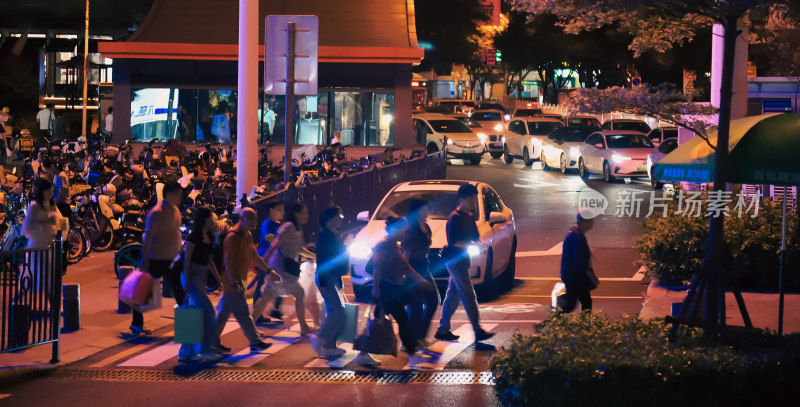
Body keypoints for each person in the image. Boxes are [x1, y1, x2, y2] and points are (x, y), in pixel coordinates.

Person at [360, 217, 432, 367]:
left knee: (377, 321)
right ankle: (411, 355)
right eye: (403, 228)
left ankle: (363, 354)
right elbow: (377, 267)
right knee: (401, 319)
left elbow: (405, 267)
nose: (405, 231)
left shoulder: (394, 245)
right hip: (386, 289)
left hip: (393, 288)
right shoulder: (384, 245)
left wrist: (421, 281)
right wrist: (376, 289)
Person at [435, 184, 494, 342]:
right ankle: (477, 329)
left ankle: (442, 328)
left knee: (453, 295)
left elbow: (475, 236)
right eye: (472, 199)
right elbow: (455, 242)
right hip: (455, 261)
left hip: (463, 260)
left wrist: (476, 242)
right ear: (463, 199)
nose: (475, 202)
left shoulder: (468, 216)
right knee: (469, 295)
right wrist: (473, 244)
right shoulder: (455, 218)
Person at [216, 207, 276, 352]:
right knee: (241, 312)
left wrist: (269, 270)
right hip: (232, 282)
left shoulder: (246, 235)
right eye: (251, 221)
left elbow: (254, 256)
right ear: (242, 219)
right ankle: (254, 341)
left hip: (235, 282)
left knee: (223, 313)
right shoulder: (233, 237)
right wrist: (233, 281)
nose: (254, 225)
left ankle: (208, 343)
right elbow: (228, 261)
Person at [130, 181, 186, 335]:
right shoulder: (157, 212)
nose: (180, 197)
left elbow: (176, 233)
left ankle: (187, 327)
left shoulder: (175, 210)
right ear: (169, 194)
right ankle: (136, 323)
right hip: (156, 258)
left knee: (180, 292)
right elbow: (148, 237)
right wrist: (145, 260)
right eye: (178, 194)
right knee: (143, 291)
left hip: (171, 260)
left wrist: (180, 250)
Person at [254, 202, 316, 335]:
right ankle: (251, 325)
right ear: (296, 213)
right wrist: (264, 262)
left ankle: (251, 325)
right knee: (271, 295)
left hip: (285, 269)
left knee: (270, 295)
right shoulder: (288, 227)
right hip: (280, 268)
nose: (307, 215)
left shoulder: (297, 228)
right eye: (304, 212)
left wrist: (313, 256)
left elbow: (299, 249)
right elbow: (275, 244)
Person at [177, 207, 225, 362]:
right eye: (211, 218)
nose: (213, 220)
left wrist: (218, 278)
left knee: (192, 314)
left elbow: (209, 260)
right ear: (204, 219)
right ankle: (206, 349)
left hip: (201, 278)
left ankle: (186, 351)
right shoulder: (193, 238)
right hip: (190, 278)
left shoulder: (210, 237)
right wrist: (187, 284)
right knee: (209, 313)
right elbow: (187, 260)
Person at [309, 206, 348, 358]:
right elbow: (323, 260)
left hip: (332, 277)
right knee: (338, 312)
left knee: (334, 311)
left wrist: (339, 281)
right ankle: (320, 339)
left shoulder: (333, 234)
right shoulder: (325, 235)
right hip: (326, 277)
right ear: (329, 218)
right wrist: (325, 283)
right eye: (339, 216)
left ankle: (330, 346)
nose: (341, 218)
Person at [403, 199, 440, 348]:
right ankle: (411, 340)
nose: (428, 211)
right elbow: (406, 255)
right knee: (416, 305)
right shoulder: (411, 230)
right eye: (425, 209)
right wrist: (407, 274)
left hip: (425, 267)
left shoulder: (426, 227)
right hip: (413, 267)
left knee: (433, 300)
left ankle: (419, 336)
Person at [20, 179, 65, 296]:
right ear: (44, 192)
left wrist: (65, 231)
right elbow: (27, 227)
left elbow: (61, 220)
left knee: (49, 279)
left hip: (49, 247)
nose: (52, 193)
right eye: (50, 191)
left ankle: (55, 307)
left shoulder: (52, 205)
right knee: (33, 276)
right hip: (37, 247)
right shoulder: (34, 206)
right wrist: (45, 221)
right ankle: (19, 298)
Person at [558, 210, 596, 313]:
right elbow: (579, 259)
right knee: (585, 302)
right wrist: (591, 275)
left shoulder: (575, 234)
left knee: (572, 304)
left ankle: (547, 323)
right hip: (574, 276)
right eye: (590, 220)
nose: (593, 222)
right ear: (584, 221)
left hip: (572, 275)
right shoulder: (577, 237)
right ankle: (584, 326)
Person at [253, 200, 284, 323]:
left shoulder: (280, 224)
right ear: (271, 211)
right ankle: (258, 314)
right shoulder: (267, 223)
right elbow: (268, 237)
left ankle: (275, 309)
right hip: (265, 258)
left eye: (282, 210)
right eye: (279, 209)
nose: (282, 212)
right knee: (261, 284)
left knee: (279, 282)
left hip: (276, 259)